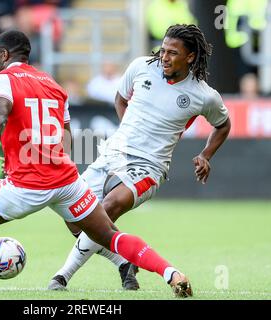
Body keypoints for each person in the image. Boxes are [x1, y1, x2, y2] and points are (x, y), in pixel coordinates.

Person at [0, 30, 193, 298]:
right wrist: (52, 160)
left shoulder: (0, 80)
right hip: (66, 180)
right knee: (107, 234)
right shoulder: (54, 85)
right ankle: (170, 273)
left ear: (3, 54)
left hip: (27, 184)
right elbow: (65, 133)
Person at [47, 24, 231, 292]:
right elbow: (120, 99)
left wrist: (206, 154)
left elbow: (223, 125)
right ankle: (124, 261)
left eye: (173, 53)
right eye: (163, 50)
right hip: (112, 154)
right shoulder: (141, 67)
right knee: (73, 214)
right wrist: (128, 133)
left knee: (107, 208)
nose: (165, 57)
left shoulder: (203, 95)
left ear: (190, 57)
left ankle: (61, 277)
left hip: (148, 167)